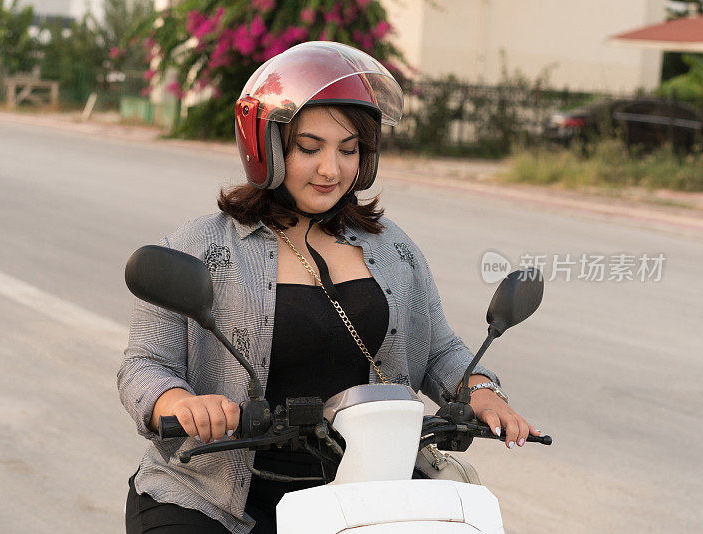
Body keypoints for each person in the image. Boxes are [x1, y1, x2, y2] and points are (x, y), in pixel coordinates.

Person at [118, 41, 539, 534]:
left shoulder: (393, 249)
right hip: (212, 497)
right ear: (267, 148)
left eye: (349, 149)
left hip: (363, 494)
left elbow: (439, 348)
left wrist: (482, 391)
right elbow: (144, 364)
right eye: (309, 148)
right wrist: (180, 403)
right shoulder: (203, 247)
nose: (331, 170)